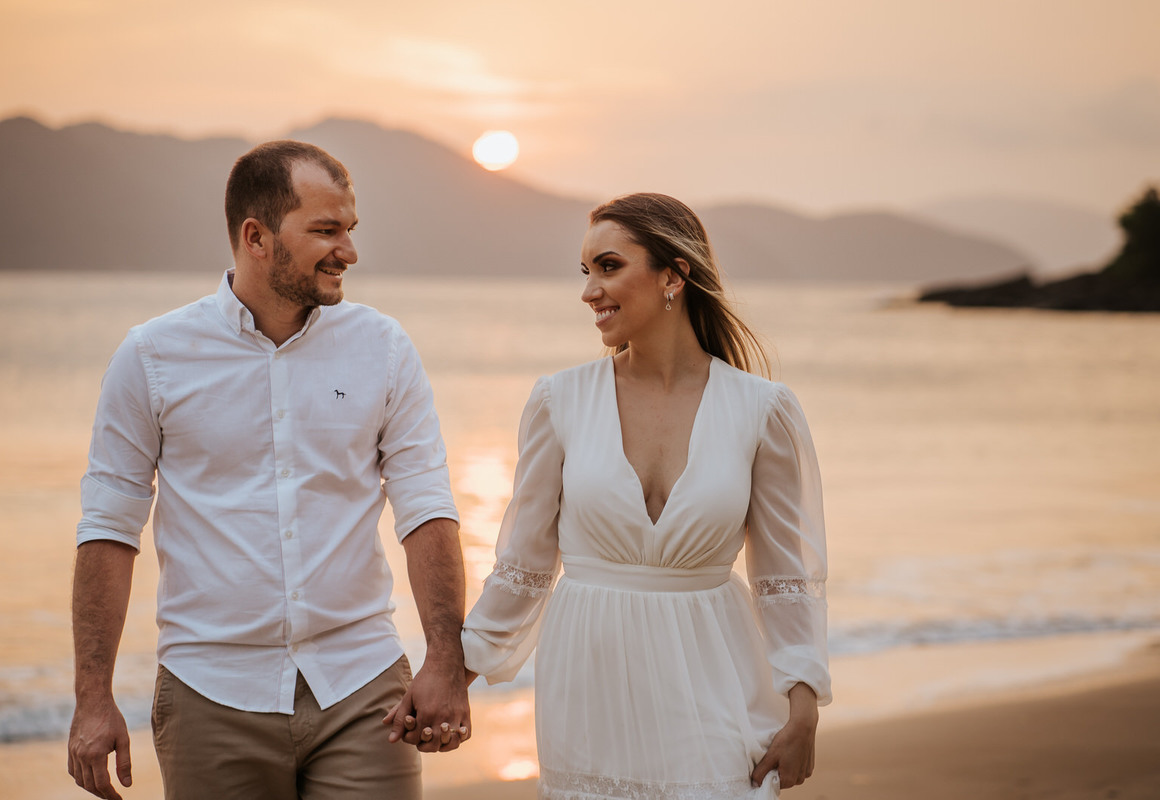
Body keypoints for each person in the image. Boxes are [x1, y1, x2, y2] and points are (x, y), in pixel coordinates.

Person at [67, 140, 470, 800]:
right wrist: (92, 699)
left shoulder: (384, 350)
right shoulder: (152, 358)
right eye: (326, 230)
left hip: (362, 689)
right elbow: (110, 530)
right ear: (256, 237)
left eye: (350, 229)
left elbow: (425, 507)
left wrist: (446, 663)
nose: (349, 251)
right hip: (210, 695)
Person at [457, 193, 830, 798]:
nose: (589, 291)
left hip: (713, 671)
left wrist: (804, 707)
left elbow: (787, 577)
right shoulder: (561, 402)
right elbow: (523, 564)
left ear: (672, 277)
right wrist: (454, 674)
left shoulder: (762, 411)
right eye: (586, 272)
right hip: (588, 682)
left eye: (608, 267)